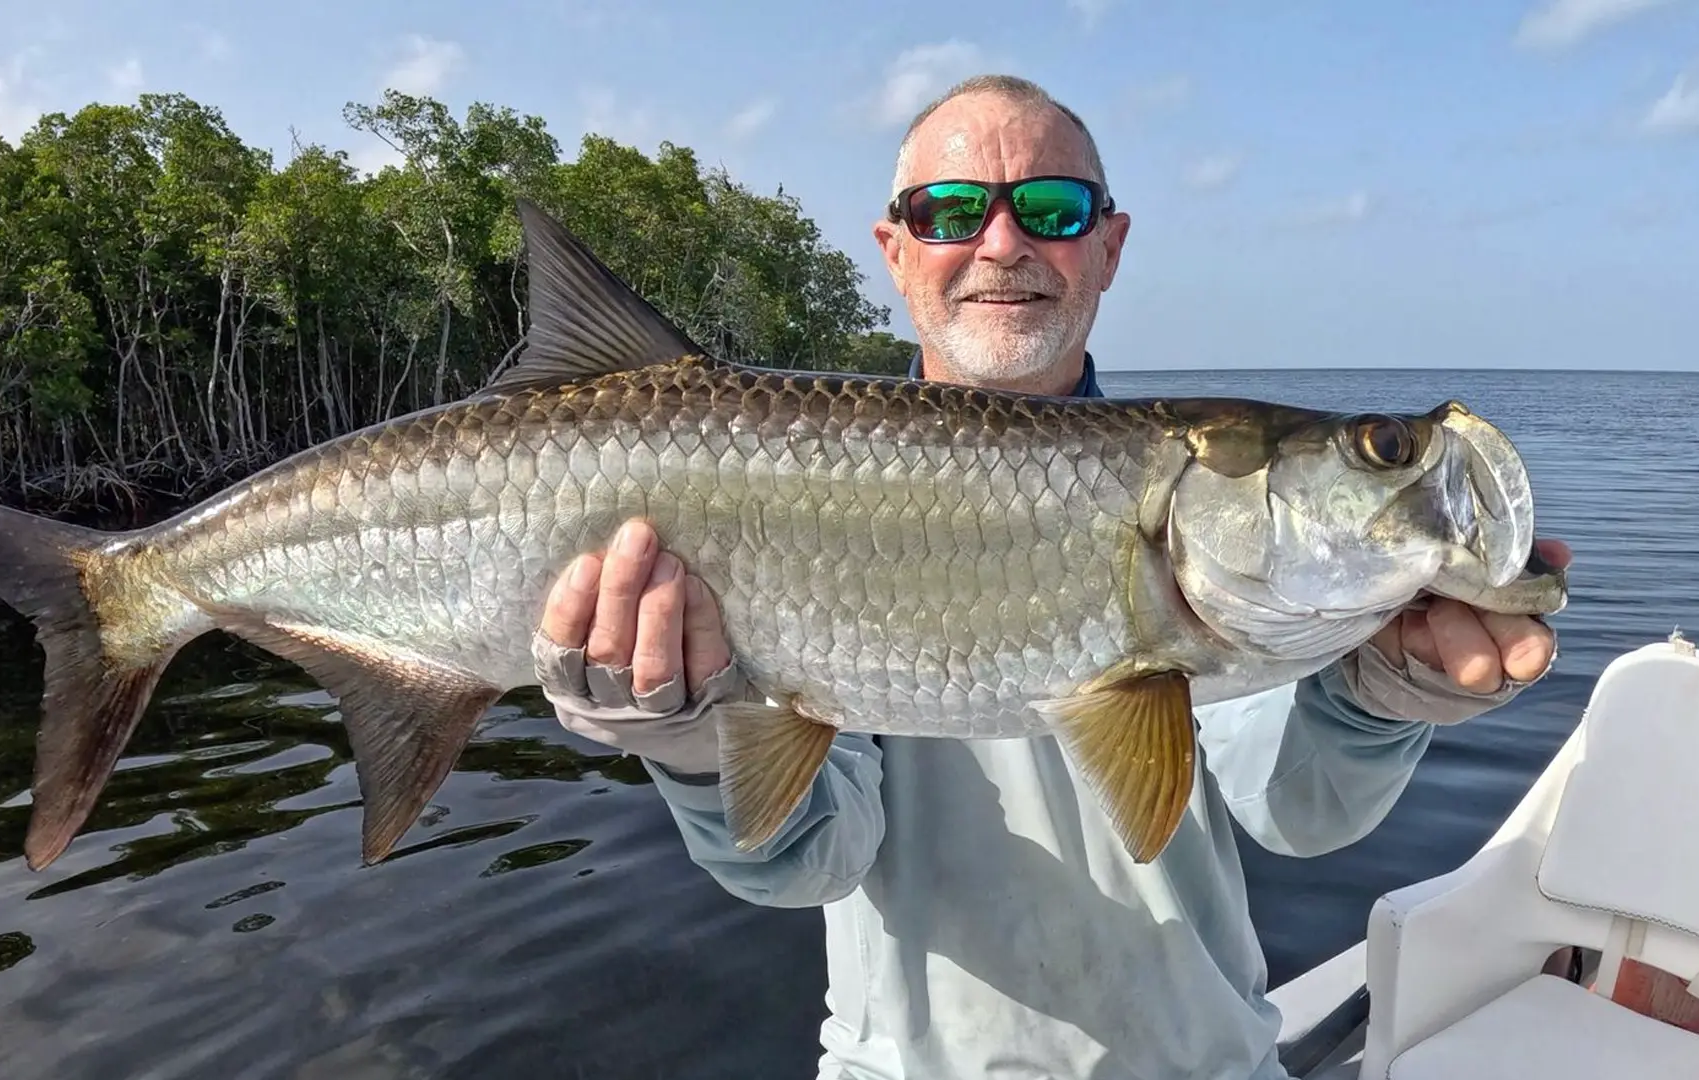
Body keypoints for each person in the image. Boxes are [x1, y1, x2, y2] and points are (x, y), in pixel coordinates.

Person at [527, 75, 1571, 1080]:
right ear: (894, 252)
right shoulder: (804, 478)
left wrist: (1373, 703)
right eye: (947, 211)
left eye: (1052, 208)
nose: (1001, 243)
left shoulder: (1238, 598)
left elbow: (1294, 809)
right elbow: (805, 862)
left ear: (1111, 248)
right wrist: (691, 739)